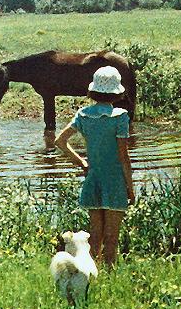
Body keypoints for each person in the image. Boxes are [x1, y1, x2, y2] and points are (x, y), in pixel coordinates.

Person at [55, 66, 135, 267]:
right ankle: (110, 274)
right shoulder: (120, 116)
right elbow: (123, 157)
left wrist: (81, 162)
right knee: (112, 237)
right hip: (114, 181)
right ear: (117, 92)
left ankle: (92, 273)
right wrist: (130, 187)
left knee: (95, 235)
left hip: (93, 179)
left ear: (94, 90)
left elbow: (60, 141)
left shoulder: (83, 114)